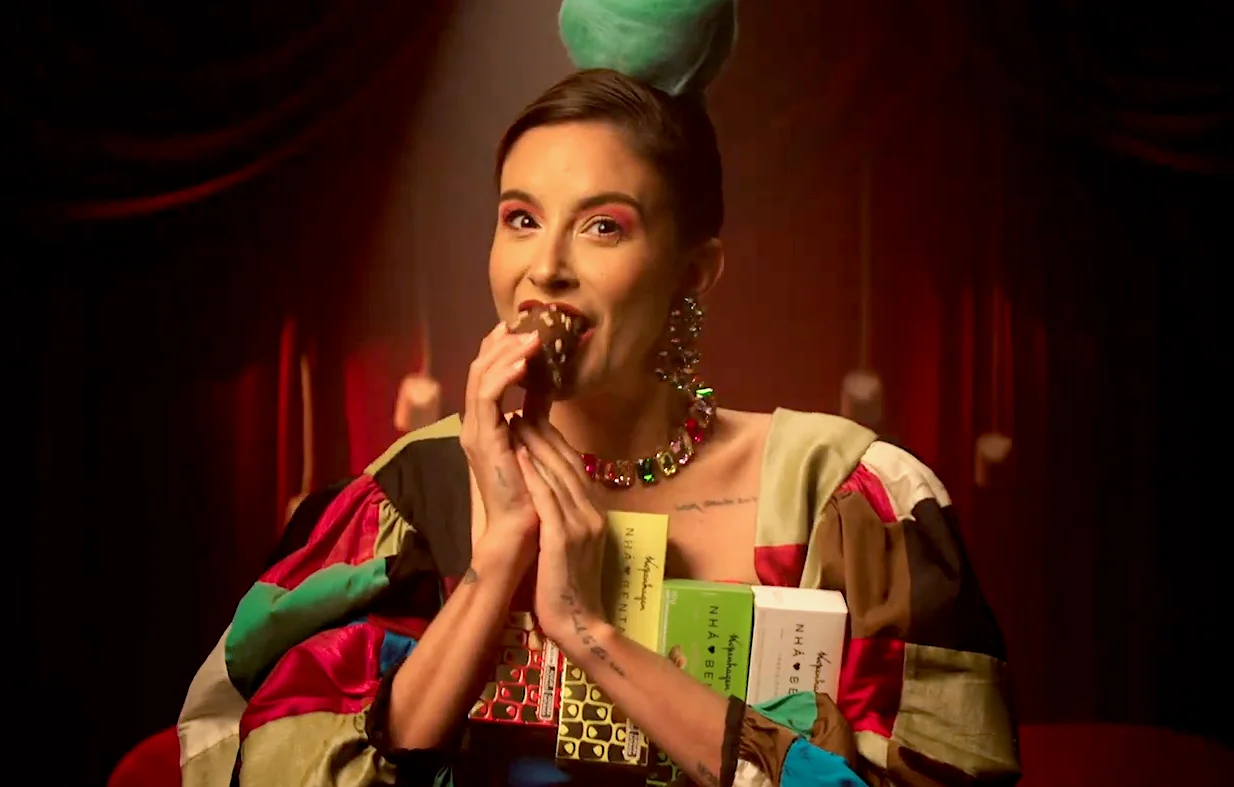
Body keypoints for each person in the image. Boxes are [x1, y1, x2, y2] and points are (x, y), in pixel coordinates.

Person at [178, 3, 1019, 785]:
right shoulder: (411, 492)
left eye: (603, 225)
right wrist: (497, 561)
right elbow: (257, 756)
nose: (545, 266)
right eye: (520, 217)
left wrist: (588, 633)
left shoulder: (841, 495)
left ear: (694, 273)